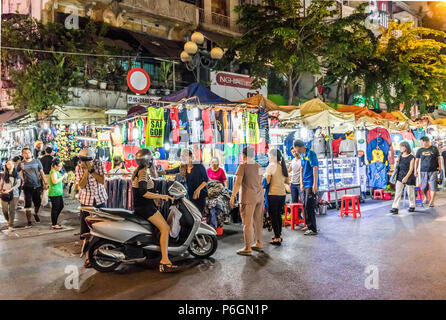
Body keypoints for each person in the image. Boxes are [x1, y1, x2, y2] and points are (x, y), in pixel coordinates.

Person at [132, 149, 178, 272]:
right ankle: (165, 261)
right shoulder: (142, 173)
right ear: (148, 161)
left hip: (144, 206)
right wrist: (162, 196)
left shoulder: (140, 172)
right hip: (145, 208)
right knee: (165, 228)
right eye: (151, 159)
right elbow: (143, 193)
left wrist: (155, 200)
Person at [75, 148, 107, 267]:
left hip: (100, 200)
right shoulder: (78, 168)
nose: (85, 162)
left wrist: (92, 169)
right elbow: (81, 186)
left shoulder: (99, 164)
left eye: (88, 160)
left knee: (102, 228)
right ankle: (88, 256)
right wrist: (86, 172)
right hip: (86, 202)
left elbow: (102, 180)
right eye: (83, 160)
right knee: (87, 231)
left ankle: (100, 252)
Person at [230, 147, 264, 256]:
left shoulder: (243, 166)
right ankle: (258, 243)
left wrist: (232, 196)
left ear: (243, 155)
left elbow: (238, 183)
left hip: (248, 198)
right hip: (259, 197)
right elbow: (260, 182)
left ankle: (247, 247)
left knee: (247, 223)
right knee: (258, 221)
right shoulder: (259, 166)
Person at [265, 148, 290, 246]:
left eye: (270, 155)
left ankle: (277, 238)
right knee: (278, 215)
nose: (269, 157)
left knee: (273, 216)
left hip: (273, 194)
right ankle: (279, 234)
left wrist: (265, 176)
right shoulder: (283, 167)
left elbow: (267, 181)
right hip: (282, 194)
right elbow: (287, 181)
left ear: (274, 156)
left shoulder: (271, 166)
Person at [294, 140, 319, 236]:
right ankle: (308, 225)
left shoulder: (311, 154)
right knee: (305, 205)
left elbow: (315, 168)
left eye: (295, 149)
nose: (295, 151)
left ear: (298, 147)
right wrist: (301, 183)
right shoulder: (303, 155)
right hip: (305, 184)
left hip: (310, 184)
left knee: (309, 206)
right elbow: (302, 168)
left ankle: (313, 229)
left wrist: (315, 184)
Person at [19, 147, 48, 228]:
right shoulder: (21, 164)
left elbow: (42, 172)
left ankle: (35, 213)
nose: (27, 154)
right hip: (26, 187)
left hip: (37, 186)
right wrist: (22, 179)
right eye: (25, 153)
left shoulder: (37, 161)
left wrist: (45, 182)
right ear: (22, 154)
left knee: (37, 203)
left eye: (28, 152)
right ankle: (29, 221)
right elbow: (19, 172)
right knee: (27, 204)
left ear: (31, 153)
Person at [390, 141, 416, 214]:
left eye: (402, 146)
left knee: (410, 192)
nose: (400, 148)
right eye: (400, 146)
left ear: (406, 147)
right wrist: (397, 162)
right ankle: (395, 208)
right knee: (398, 193)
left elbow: (411, 169)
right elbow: (397, 167)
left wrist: (406, 177)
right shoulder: (399, 156)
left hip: (409, 176)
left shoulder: (411, 157)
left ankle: (412, 205)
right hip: (399, 176)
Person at [415, 136, 442, 207]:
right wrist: (415, 170)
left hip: (433, 170)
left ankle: (432, 201)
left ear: (426, 142)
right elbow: (417, 161)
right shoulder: (419, 150)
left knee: (433, 186)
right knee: (424, 187)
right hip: (423, 170)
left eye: (421, 142)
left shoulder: (434, 149)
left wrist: (440, 167)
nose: (421, 144)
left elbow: (438, 158)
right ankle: (427, 198)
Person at [0, 160, 20, 231]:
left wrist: (10, 189)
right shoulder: (4, 174)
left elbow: (18, 184)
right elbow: (1, 183)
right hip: (4, 193)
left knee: (12, 210)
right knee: (4, 210)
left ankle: (10, 225)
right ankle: (8, 220)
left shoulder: (16, 174)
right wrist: (1, 190)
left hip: (14, 194)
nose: (10, 165)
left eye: (12, 164)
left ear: (14, 165)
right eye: (8, 164)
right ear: (6, 166)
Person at [48, 158, 68, 229]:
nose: (61, 167)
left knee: (60, 206)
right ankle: (54, 224)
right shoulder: (53, 172)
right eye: (59, 166)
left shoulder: (57, 172)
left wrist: (64, 179)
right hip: (54, 192)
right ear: (55, 166)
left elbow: (59, 181)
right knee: (55, 208)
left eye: (61, 166)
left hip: (58, 192)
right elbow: (55, 181)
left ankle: (55, 221)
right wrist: (63, 177)